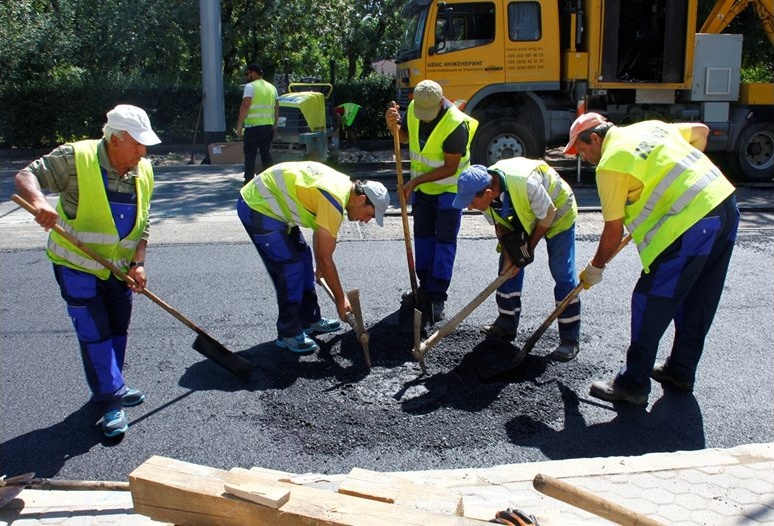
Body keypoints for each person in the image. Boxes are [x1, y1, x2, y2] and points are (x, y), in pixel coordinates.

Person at [565, 112, 739, 405]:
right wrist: (684, 179)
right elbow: (701, 132)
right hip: (724, 205)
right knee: (699, 297)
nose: (583, 157)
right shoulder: (651, 127)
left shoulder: (610, 164)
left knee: (650, 300)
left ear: (594, 138)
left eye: (581, 150)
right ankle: (681, 370)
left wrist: (595, 268)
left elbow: (613, 231)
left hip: (688, 226)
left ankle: (633, 383)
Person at [14, 104, 162, 438]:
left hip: (118, 269)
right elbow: (26, 176)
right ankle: (110, 399)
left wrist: (138, 263)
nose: (143, 151)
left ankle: (112, 384)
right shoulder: (76, 158)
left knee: (118, 328)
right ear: (116, 138)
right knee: (95, 331)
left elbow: (144, 221)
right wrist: (39, 202)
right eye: (138, 143)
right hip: (77, 265)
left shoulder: (144, 169)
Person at [237, 161, 390, 353]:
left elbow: (320, 232)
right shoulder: (334, 200)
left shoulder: (342, 188)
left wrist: (320, 267)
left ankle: (309, 319)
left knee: (303, 257)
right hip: (258, 206)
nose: (366, 221)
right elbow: (327, 259)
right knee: (291, 269)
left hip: (275, 205)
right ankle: (288, 332)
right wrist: (340, 299)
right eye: (369, 215)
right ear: (361, 200)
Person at [453, 159, 581, 361]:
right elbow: (502, 227)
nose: (469, 208)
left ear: (488, 193)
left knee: (561, 271)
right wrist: (509, 259)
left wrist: (526, 251)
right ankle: (506, 324)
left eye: (471, 202)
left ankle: (569, 339)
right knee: (506, 271)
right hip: (527, 215)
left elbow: (548, 215)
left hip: (558, 212)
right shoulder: (485, 193)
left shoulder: (526, 184)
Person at [384, 80, 478, 322]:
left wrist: (414, 182)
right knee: (423, 238)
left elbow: (450, 167)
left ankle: (437, 296)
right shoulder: (414, 109)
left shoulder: (455, 124)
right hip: (423, 189)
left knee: (444, 242)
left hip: (450, 190)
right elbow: (405, 138)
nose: (424, 117)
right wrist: (393, 126)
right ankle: (423, 288)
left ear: (441, 102)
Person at [236, 63, 280, 184]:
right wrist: (275, 125)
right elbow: (276, 108)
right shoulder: (272, 88)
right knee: (266, 155)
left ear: (254, 73)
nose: (247, 76)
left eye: (248, 73)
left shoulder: (250, 87)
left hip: (253, 128)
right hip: (268, 128)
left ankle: (249, 183)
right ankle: (270, 182)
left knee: (250, 156)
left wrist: (239, 125)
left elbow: (245, 105)